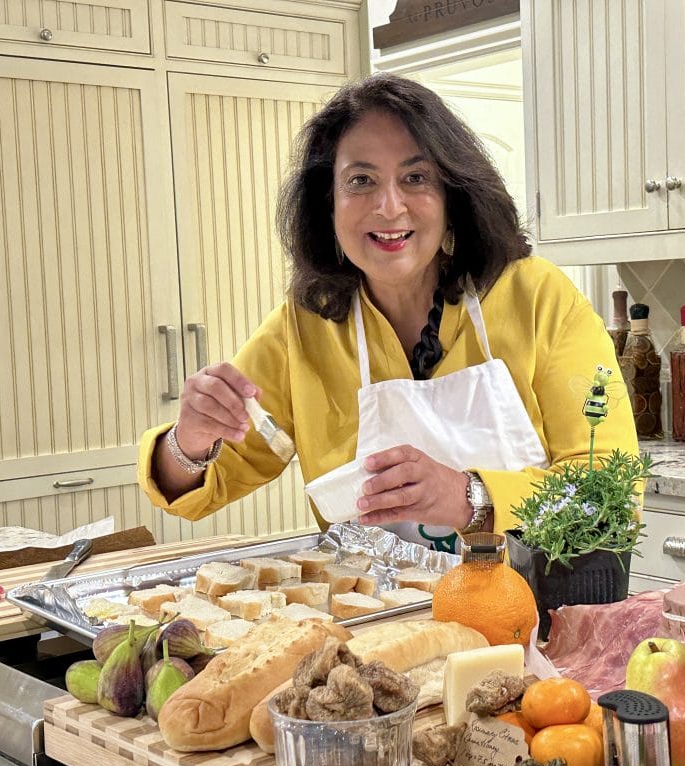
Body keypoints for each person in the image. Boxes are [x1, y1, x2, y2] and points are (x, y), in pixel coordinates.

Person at [137, 73, 638, 553]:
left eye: (416, 177)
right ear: (328, 205)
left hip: (531, 622)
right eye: (361, 180)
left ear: (451, 196)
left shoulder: (537, 297)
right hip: (384, 625)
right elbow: (209, 484)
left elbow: (611, 498)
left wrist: (471, 498)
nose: (389, 206)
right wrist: (191, 440)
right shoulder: (305, 324)